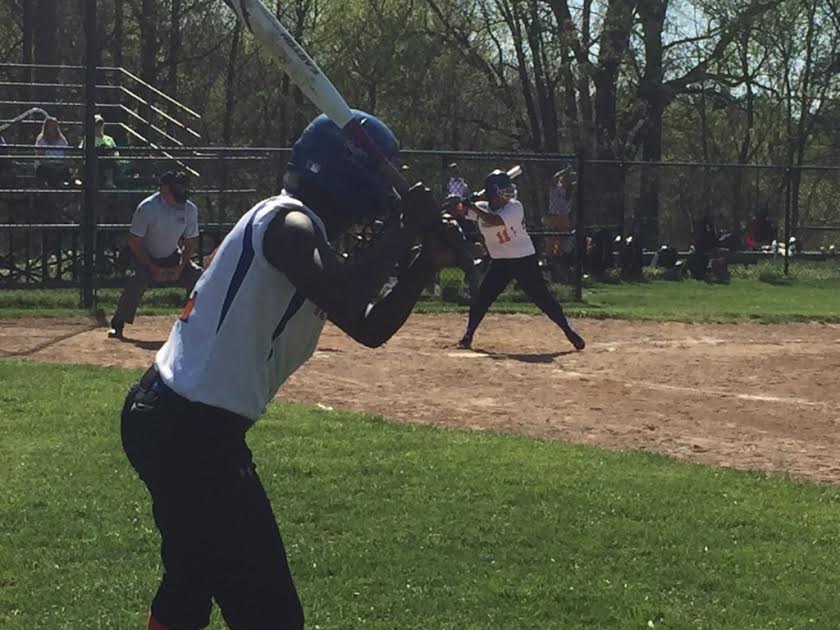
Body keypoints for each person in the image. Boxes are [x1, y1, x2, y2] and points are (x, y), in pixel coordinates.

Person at [120, 110, 459, 629]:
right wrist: (405, 229)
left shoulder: (310, 241)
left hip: (173, 419)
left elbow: (367, 326)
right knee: (271, 615)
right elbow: (347, 294)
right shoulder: (288, 222)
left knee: (190, 581)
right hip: (193, 430)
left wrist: (423, 262)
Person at [447, 169, 585, 351]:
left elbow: (494, 220)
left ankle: (568, 331)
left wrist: (471, 207)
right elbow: (457, 211)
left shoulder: (514, 207)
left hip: (523, 260)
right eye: (503, 190)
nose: (508, 193)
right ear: (493, 192)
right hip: (500, 262)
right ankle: (468, 335)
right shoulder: (482, 207)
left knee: (543, 298)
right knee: (482, 298)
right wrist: (457, 202)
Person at [107, 171, 203, 339]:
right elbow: (134, 241)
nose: (181, 192)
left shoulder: (189, 209)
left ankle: (196, 322)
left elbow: (190, 241)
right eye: (177, 188)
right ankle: (118, 323)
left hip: (172, 256)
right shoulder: (148, 207)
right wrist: (152, 267)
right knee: (137, 279)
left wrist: (180, 266)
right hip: (143, 256)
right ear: (164, 189)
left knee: (199, 277)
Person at [80, 113, 119, 187]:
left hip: (108, 160)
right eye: (96, 125)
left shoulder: (109, 139)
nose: (99, 127)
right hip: (93, 162)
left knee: (107, 155)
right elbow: (82, 152)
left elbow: (116, 152)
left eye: (100, 125)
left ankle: (109, 181)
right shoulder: (87, 139)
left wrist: (114, 155)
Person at [543, 167, 575, 256]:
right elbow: (554, 178)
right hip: (553, 216)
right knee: (551, 240)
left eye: (568, 178)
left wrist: (570, 175)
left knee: (563, 241)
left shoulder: (570, 190)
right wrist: (564, 171)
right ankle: (550, 258)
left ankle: (562, 258)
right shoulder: (555, 188)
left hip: (564, 217)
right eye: (565, 178)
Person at [35, 116, 70, 187]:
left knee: (65, 172)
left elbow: (66, 156)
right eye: (50, 126)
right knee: (48, 172)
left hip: (60, 165)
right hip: (46, 166)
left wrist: (62, 166)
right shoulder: (41, 140)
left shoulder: (62, 140)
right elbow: (41, 158)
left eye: (54, 126)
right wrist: (51, 166)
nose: (52, 128)